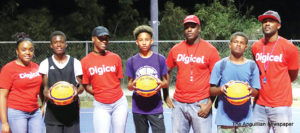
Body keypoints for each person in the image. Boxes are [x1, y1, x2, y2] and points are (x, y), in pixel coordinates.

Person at [166, 15, 220, 133]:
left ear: (199, 28)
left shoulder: (210, 50)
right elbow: (166, 71)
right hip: (179, 104)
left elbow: (218, 79)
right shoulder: (176, 49)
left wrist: (210, 104)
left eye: (193, 26)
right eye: (186, 27)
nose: (189, 29)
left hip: (201, 103)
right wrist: (165, 95)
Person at [251, 10, 299, 133]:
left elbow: (292, 75)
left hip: (280, 105)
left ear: (278, 25)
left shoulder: (289, 48)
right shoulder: (256, 46)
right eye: (264, 21)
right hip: (259, 104)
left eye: (271, 21)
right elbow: (257, 71)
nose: (267, 24)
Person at [210, 32, 260, 133]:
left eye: (242, 43)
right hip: (224, 119)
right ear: (230, 44)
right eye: (235, 42)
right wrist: (221, 89)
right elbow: (211, 91)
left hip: (245, 119)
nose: (238, 44)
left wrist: (251, 90)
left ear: (246, 47)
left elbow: (256, 91)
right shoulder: (220, 65)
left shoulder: (252, 66)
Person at [81, 26, 128, 133]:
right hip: (101, 105)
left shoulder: (115, 57)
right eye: (100, 38)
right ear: (93, 39)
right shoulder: (85, 61)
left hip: (119, 103)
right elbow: (86, 85)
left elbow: (118, 80)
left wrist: (111, 91)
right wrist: (98, 93)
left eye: (106, 38)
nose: (104, 41)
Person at [125, 25, 172, 133]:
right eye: (141, 40)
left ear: (151, 41)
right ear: (137, 42)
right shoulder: (131, 61)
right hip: (138, 108)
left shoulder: (160, 59)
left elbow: (165, 82)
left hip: (155, 107)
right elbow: (129, 86)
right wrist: (133, 85)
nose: (144, 42)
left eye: (146, 40)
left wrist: (161, 83)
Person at [39, 31, 83, 133]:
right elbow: (45, 89)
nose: (59, 45)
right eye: (55, 42)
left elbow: (81, 87)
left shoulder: (75, 63)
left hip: (71, 114)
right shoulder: (45, 64)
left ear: (66, 44)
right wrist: (49, 95)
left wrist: (77, 91)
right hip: (53, 114)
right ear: (51, 45)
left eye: (61, 42)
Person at [0, 33, 44, 133]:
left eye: (31, 50)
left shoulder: (37, 67)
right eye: (23, 50)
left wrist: (43, 107)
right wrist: (4, 123)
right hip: (17, 112)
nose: (27, 52)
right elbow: (2, 96)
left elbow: (42, 89)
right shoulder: (8, 69)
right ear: (17, 51)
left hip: (35, 112)